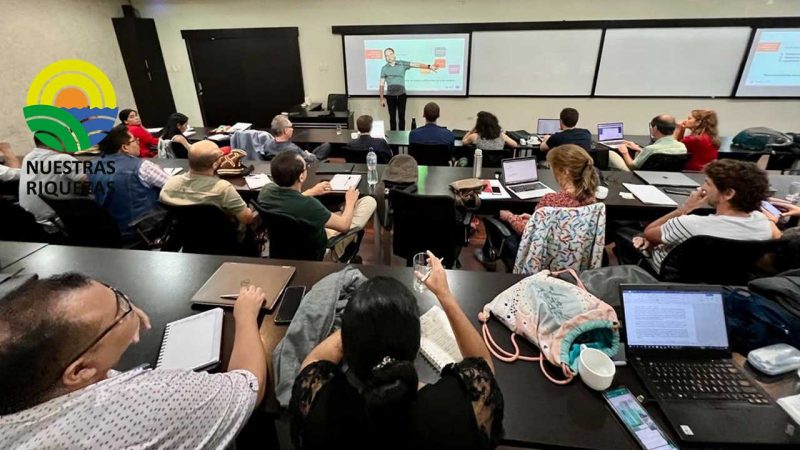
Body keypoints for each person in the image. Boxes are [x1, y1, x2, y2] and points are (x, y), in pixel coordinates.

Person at [0, 273, 267, 448]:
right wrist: (244, 314)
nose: (129, 302)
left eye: (114, 291)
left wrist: (116, 321)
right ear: (80, 371)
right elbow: (248, 384)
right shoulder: (147, 401)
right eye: (122, 308)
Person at [289, 252, 504, 450]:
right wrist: (445, 295)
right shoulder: (460, 407)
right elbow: (482, 361)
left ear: (349, 348)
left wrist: (360, 323)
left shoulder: (320, 408)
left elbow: (314, 359)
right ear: (416, 344)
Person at [631, 159, 779, 273]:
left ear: (728, 194)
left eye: (708, 183)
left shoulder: (690, 223)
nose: (702, 188)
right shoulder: (765, 225)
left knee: (630, 234)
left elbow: (649, 233)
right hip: (729, 283)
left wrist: (685, 208)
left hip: (668, 277)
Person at [256, 152, 377, 261]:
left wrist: (312, 191)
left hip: (286, 249)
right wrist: (350, 201)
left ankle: (345, 210)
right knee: (369, 201)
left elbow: (291, 201)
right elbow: (344, 226)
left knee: (343, 210)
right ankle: (346, 211)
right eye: (305, 168)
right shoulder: (309, 205)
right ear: (301, 176)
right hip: (321, 252)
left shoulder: (266, 191)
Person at [160, 140, 256, 239]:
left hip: (187, 237)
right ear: (215, 164)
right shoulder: (223, 188)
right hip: (223, 239)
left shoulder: (169, 184)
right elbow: (246, 219)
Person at [90, 124, 170, 241]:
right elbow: (174, 187)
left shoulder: (93, 165)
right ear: (125, 147)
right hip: (144, 227)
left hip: (111, 230)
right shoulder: (142, 166)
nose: (138, 142)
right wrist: (159, 171)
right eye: (135, 140)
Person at [499, 144, 598, 235]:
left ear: (565, 172)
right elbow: (566, 226)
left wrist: (510, 217)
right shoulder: (591, 200)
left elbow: (528, 231)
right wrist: (534, 218)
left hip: (546, 252)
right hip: (576, 252)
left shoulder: (550, 200)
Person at [18, 137, 87, 224]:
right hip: (59, 221)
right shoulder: (63, 159)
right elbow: (93, 181)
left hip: (31, 221)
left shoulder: (28, 157)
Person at [379, 48, 439, 131]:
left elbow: (416, 65)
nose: (389, 57)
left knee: (401, 117)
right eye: (386, 55)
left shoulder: (402, 64)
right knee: (392, 118)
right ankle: (393, 142)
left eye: (390, 54)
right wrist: (382, 98)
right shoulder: (384, 68)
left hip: (401, 95)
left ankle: (401, 137)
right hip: (390, 96)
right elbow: (381, 85)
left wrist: (429, 67)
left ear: (394, 54)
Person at [608, 115, 687, 171]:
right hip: (666, 177)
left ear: (655, 128)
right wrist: (639, 149)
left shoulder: (650, 149)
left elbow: (632, 166)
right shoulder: (682, 147)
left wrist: (624, 152)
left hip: (638, 176)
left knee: (611, 153)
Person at [264, 115, 330, 164]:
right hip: (307, 164)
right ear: (285, 130)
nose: (292, 129)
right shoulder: (292, 149)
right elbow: (313, 161)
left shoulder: (267, 144)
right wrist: (309, 155)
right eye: (291, 127)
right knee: (326, 146)